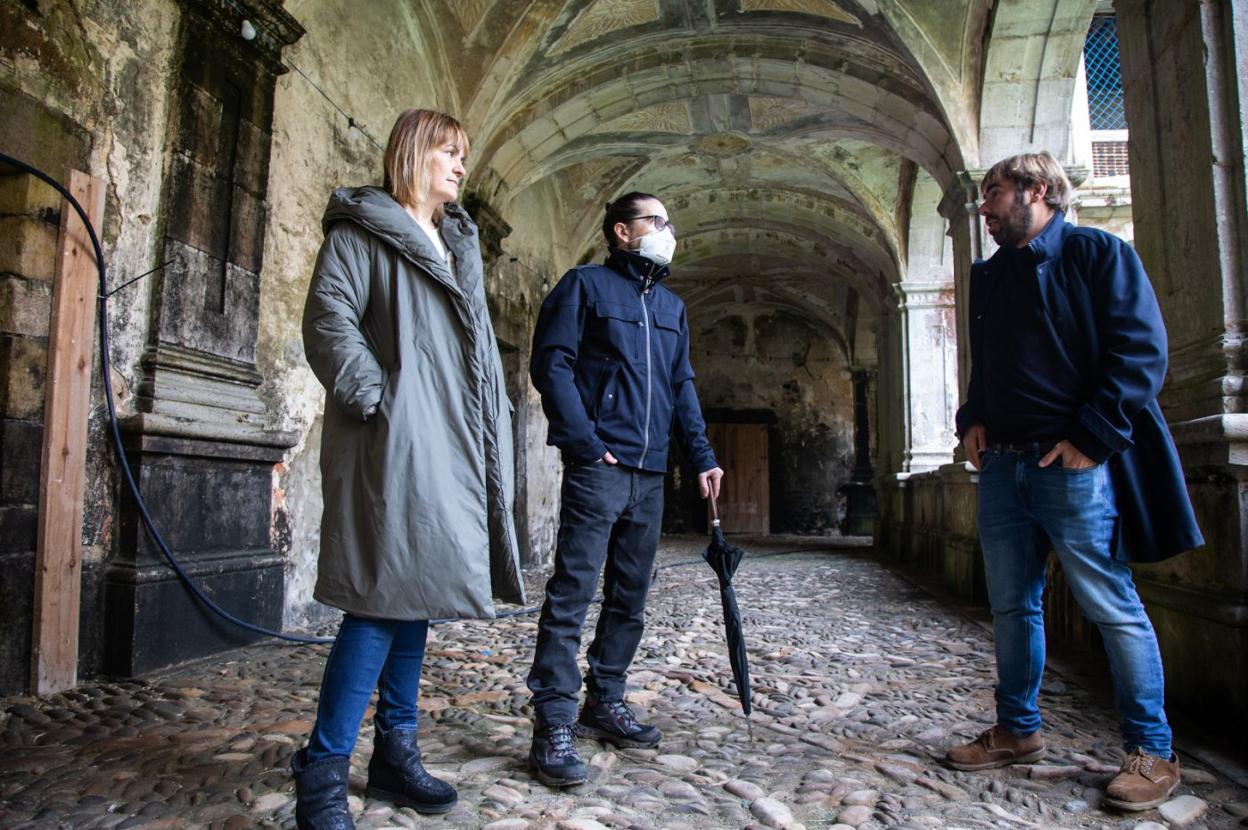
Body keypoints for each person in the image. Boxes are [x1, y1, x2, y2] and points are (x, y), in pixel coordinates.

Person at [947, 152, 1203, 811]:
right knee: (1010, 606)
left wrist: (1092, 438)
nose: (985, 206)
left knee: (1110, 606)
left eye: (995, 192)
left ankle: (1152, 750)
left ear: (1038, 191)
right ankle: (1017, 730)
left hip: (1072, 467)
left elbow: (1141, 353)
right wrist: (972, 418)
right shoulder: (990, 276)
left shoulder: (1098, 255)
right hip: (1002, 466)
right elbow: (986, 369)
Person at [294, 108, 525, 829]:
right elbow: (328, 317)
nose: (461, 166)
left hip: (451, 444)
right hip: (392, 440)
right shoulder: (362, 231)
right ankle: (323, 772)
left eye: (464, 156)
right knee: (375, 602)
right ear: (414, 154)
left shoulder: (455, 242)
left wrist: (493, 422)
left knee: (415, 594)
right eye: (449, 153)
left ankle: (395, 753)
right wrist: (377, 399)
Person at [525, 193, 724, 787]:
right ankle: (554, 720)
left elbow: (681, 386)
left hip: (651, 472)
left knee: (630, 595)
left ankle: (604, 699)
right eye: (655, 221)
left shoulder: (671, 306)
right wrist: (584, 442)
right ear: (621, 231)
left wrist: (703, 456)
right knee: (572, 593)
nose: (667, 230)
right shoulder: (584, 286)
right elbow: (551, 364)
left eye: (668, 222)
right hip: (600, 467)